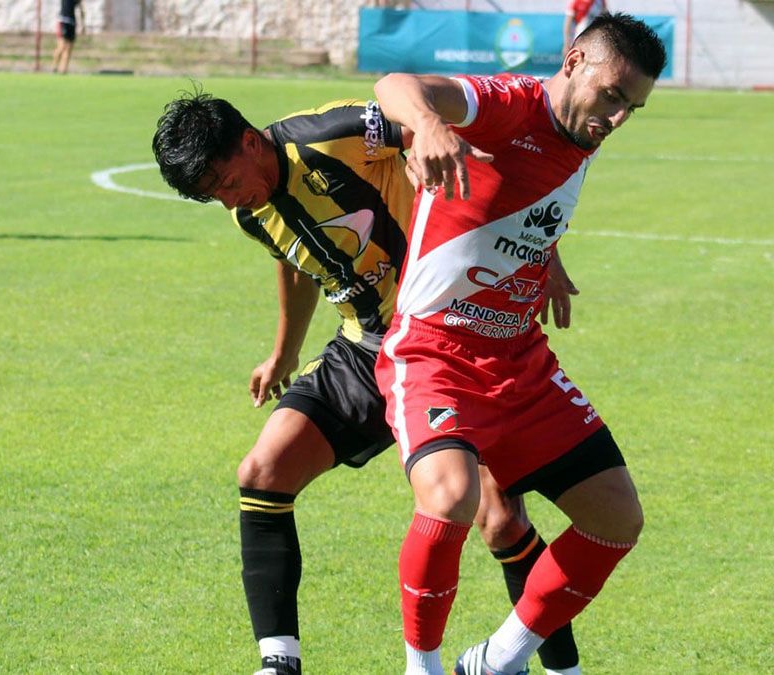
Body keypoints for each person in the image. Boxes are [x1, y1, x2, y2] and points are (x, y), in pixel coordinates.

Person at [151, 94, 583, 675]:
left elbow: (457, 146)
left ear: (250, 141)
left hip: (446, 345)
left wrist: (534, 246)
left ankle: (560, 670)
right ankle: (279, 663)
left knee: (501, 520)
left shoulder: (334, 134)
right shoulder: (248, 210)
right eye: (213, 195)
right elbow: (293, 259)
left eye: (227, 182)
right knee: (262, 472)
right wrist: (284, 354)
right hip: (364, 349)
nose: (228, 199)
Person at [372, 12, 667, 675]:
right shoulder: (509, 105)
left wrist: (545, 254)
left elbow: (529, 198)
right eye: (613, 95)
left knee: (617, 518)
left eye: (633, 108)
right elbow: (395, 83)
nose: (617, 118)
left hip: (520, 364)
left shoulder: (582, 135)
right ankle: (422, 667)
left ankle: (498, 660)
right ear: (573, 65)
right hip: (435, 355)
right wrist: (430, 125)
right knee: (450, 498)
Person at [52, 0, 84, 74]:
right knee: (61, 46)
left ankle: (64, 69)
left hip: (72, 22)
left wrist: (83, 24)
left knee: (69, 48)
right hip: (63, 21)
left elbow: (81, 9)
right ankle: (54, 67)